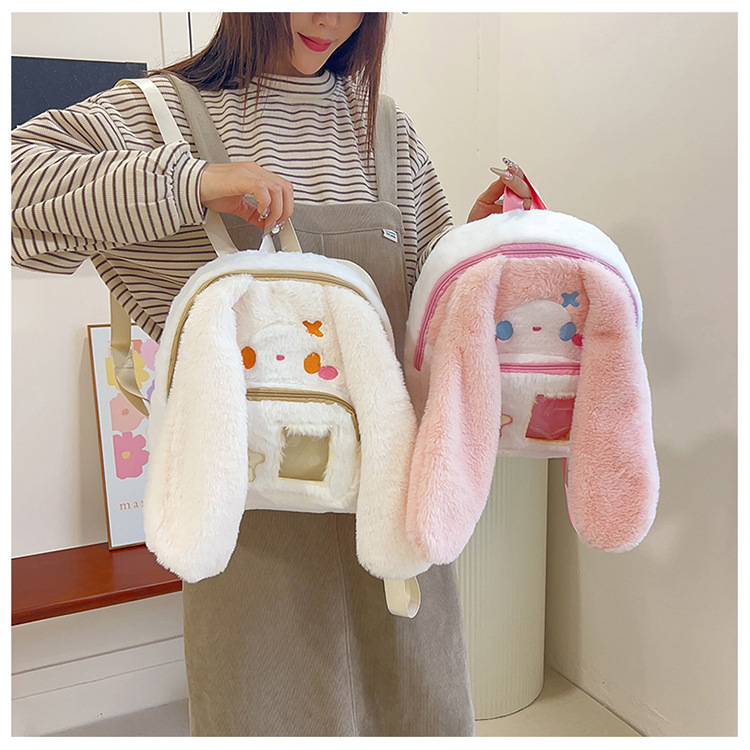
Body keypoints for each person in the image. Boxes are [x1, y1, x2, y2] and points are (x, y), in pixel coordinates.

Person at [11, 13, 531, 737]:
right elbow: (16, 186)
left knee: (413, 714)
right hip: (252, 529)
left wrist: (477, 250)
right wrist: (195, 181)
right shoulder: (163, 113)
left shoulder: (385, 130)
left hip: (393, 512)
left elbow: (424, 325)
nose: (329, 17)